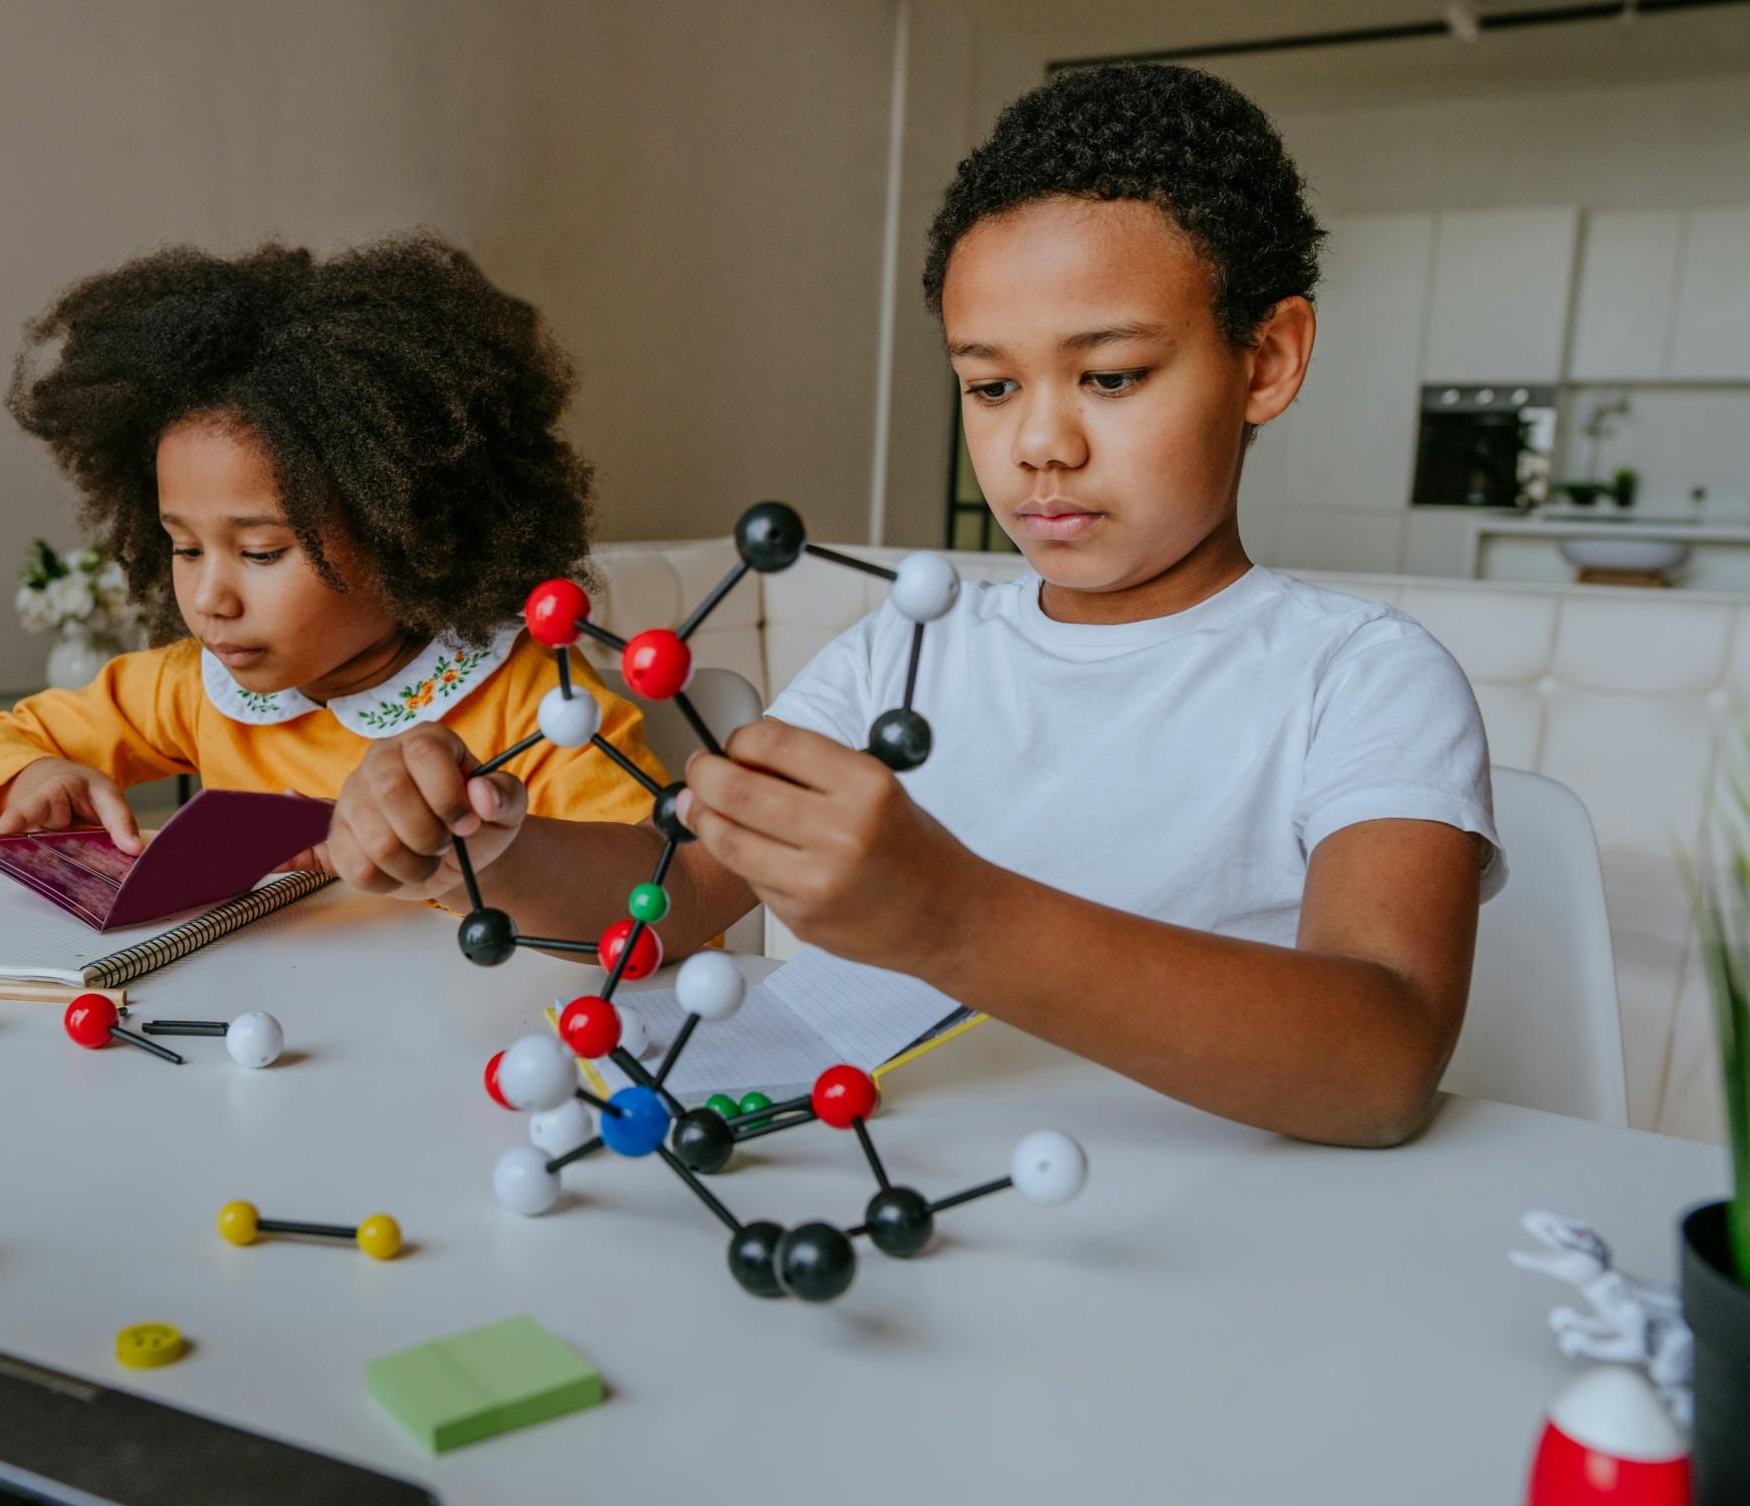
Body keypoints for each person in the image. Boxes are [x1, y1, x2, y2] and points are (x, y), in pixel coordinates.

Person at [345, 65, 1501, 1147]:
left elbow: (1383, 1062)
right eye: (991, 386)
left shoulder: (1360, 678)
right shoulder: (903, 648)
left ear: (1265, 361)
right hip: (917, 1197)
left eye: (1110, 376)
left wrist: (951, 920)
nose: (1040, 442)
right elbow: (688, 894)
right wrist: (482, 855)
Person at [0, 235, 672, 941]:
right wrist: (35, 776)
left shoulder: (539, 711)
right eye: (186, 547)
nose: (209, 599)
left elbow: (664, 901)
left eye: (261, 552)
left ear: (407, 532)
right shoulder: (194, 688)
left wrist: (489, 854)